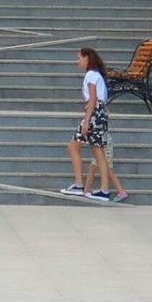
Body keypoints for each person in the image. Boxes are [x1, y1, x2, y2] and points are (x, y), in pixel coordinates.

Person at [61, 47, 114, 201]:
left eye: (80, 58)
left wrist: (86, 120)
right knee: (98, 152)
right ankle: (103, 189)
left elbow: (92, 98)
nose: (78, 61)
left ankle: (79, 184)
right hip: (100, 114)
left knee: (74, 146)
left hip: (94, 113)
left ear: (87, 59)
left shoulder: (91, 75)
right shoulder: (97, 75)